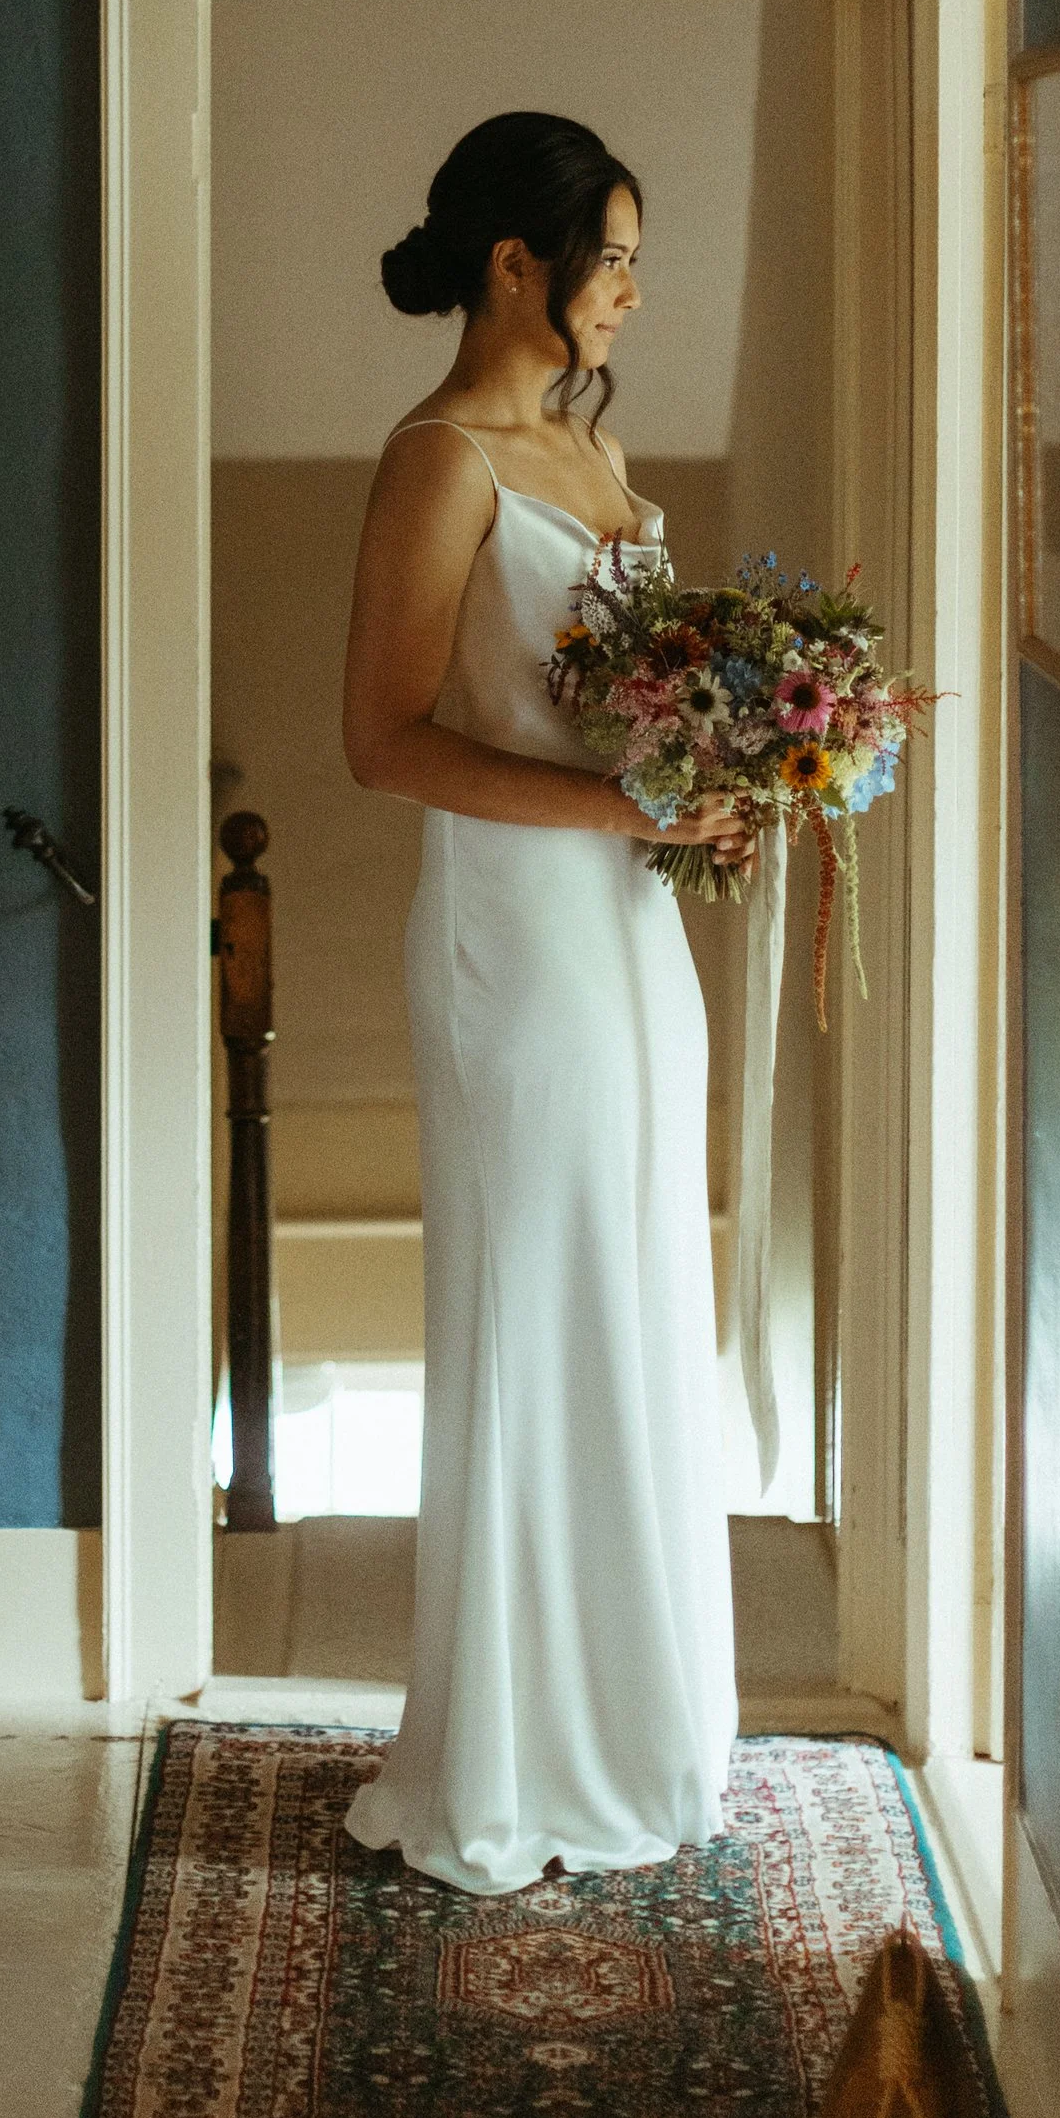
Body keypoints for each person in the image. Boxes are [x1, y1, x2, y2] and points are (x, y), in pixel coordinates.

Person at [337, 109, 744, 1893]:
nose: (631, 298)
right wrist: (610, 802)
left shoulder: (591, 445)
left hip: (634, 934)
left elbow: (618, 704)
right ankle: (507, 1758)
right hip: (517, 944)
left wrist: (733, 760)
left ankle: (638, 1733)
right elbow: (380, 738)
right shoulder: (437, 461)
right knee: (537, 1309)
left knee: (639, 1301)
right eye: (615, 260)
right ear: (520, 261)